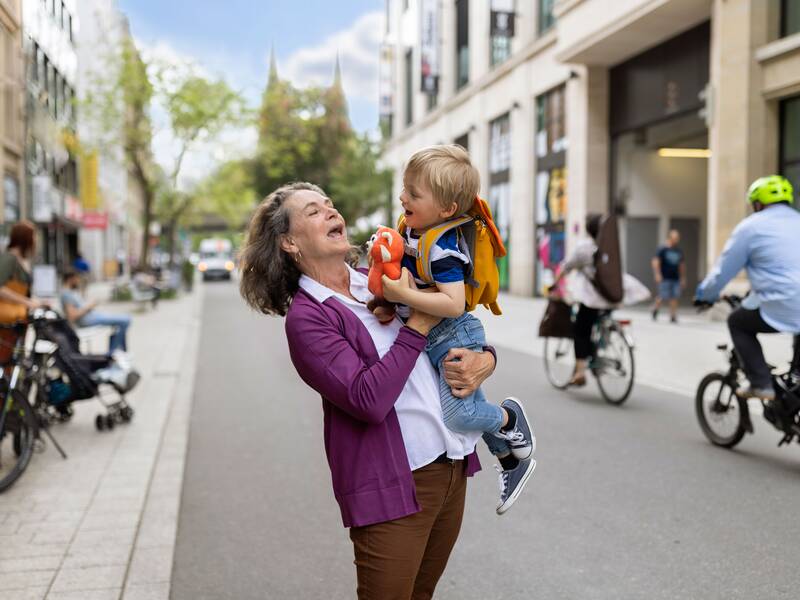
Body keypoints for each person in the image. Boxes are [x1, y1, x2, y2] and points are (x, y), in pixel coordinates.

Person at [239, 182, 498, 600]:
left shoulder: (378, 282)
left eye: (329, 204)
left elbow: (453, 329)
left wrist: (486, 358)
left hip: (450, 466)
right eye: (312, 211)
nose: (329, 211)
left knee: (422, 594)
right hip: (392, 485)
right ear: (289, 242)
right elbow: (366, 399)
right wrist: (416, 326)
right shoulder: (308, 319)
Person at [381, 145, 536, 514]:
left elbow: (452, 303)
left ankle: (509, 418)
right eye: (405, 188)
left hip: (453, 336)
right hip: (438, 338)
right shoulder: (415, 231)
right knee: (469, 409)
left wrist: (403, 294)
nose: (403, 197)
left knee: (458, 415)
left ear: (447, 210)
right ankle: (512, 461)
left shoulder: (444, 248)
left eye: (413, 194)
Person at [695, 175, 800, 401]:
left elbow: (723, 271)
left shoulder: (750, 227)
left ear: (757, 203)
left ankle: (761, 383)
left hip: (783, 302)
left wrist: (704, 295)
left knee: (738, 322)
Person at [548, 214, 606, 387]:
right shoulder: (609, 246)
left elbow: (566, 267)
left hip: (592, 299)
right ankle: (595, 352)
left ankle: (580, 372)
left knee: (581, 331)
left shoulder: (584, 248)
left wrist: (554, 284)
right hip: (610, 297)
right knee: (592, 325)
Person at [0, 221, 48, 363]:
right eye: (34, 237)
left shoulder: (21, 259)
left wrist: (37, 302)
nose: (36, 241)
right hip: (8, 317)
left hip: (19, 316)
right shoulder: (9, 258)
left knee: (15, 356)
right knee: (6, 356)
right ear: (25, 238)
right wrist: (29, 302)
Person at [61, 268, 131, 356]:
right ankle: (111, 353)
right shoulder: (66, 294)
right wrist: (89, 307)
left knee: (123, 320)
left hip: (91, 316)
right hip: (87, 320)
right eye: (77, 278)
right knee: (125, 320)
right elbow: (72, 316)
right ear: (71, 279)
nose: (78, 281)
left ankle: (119, 352)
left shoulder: (71, 291)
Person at [651, 230, 686, 323]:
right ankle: (655, 309)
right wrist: (657, 274)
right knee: (662, 296)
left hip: (675, 277)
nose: (676, 240)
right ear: (670, 238)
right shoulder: (662, 249)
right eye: (674, 238)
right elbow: (656, 262)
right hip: (664, 277)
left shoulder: (678, 251)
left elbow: (681, 265)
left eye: (677, 238)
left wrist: (682, 278)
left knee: (674, 297)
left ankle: (673, 316)